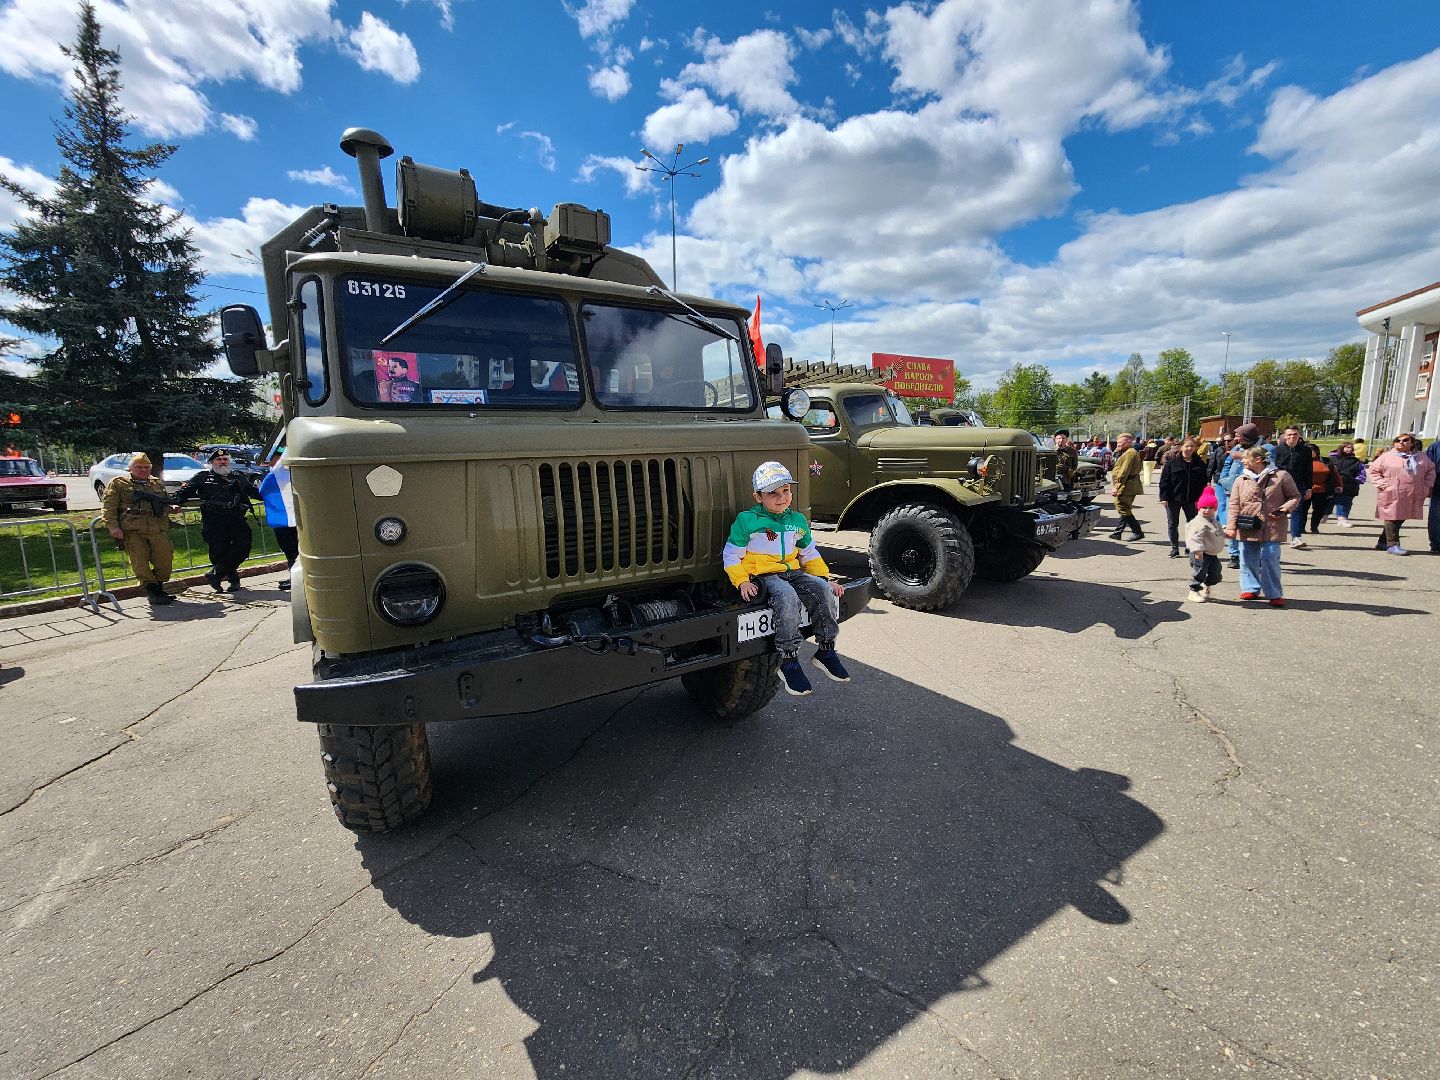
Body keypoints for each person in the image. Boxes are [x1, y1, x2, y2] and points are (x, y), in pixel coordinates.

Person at [723, 461, 848, 697]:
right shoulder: (747, 521)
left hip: (792, 571)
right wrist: (742, 581)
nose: (781, 497)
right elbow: (731, 555)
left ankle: (826, 649)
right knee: (787, 596)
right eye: (773, 493)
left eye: (786, 491)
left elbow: (809, 553)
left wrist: (824, 578)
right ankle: (789, 660)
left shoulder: (797, 521)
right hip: (763, 575)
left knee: (822, 589)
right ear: (758, 496)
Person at [172, 449, 262, 592]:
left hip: (235, 518)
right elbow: (184, 492)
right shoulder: (202, 477)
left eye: (225, 459)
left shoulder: (238, 477)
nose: (222, 462)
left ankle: (215, 573)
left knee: (243, 545)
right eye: (219, 460)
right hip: (213, 520)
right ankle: (232, 579)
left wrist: (273, 496)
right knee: (219, 551)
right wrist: (176, 502)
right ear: (212, 462)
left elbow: (253, 492)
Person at [1225, 445, 1300, 606]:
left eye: (1246, 458)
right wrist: (1231, 526)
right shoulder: (1241, 479)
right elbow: (1234, 504)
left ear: (1258, 460)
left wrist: (1284, 508)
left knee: (1269, 558)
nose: (1243, 460)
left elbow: (1294, 496)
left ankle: (1273, 593)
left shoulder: (1281, 476)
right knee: (1247, 558)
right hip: (1248, 524)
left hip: (1272, 524)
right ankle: (1250, 588)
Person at [101, 453, 175, 605]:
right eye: (139, 467)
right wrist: (113, 527)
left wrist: (172, 508)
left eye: (146, 467)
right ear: (130, 468)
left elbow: (164, 503)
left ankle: (158, 587)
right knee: (140, 562)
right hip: (132, 529)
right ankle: (153, 591)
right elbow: (109, 507)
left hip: (156, 528)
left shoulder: (156, 483)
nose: (143, 470)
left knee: (165, 559)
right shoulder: (118, 483)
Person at [1367, 432, 1436, 555]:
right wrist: (1383, 484)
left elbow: (1431, 470)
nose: (1401, 442)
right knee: (1392, 516)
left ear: (1412, 443)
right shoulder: (1387, 456)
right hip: (1392, 491)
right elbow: (1374, 471)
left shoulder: (1421, 457)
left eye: (1405, 440)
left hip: (1412, 492)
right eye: (1398, 440)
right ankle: (1393, 545)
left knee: (1400, 517)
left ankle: (1383, 542)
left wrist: (1427, 484)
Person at [1157, 436, 1208, 557]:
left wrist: (1201, 500)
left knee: (1192, 524)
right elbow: (1164, 481)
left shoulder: (1200, 464)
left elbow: (1203, 483)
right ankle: (1174, 548)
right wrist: (1163, 498)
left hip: (1192, 500)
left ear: (1195, 448)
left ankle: (1189, 546)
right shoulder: (1172, 463)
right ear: (1181, 447)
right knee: (1172, 524)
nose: (1189, 448)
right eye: (1187, 446)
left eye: (1192, 446)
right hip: (1173, 498)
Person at [259, 455, 298, 590]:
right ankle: (295, 576)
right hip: (284, 521)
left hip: (290, 520)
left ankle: (297, 578)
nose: (272, 463)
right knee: (290, 550)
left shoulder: (278, 476)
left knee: (293, 550)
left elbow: (262, 491)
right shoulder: (276, 476)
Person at [1273, 426, 1314, 549]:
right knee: (1277, 510)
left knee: (1297, 510)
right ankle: (1275, 535)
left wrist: (1309, 487)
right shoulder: (1277, 450)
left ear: (1299, 435)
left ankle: (1296, 537)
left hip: (1298, 484)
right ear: (1284, 436)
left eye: (1295, 434)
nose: (1292, 437)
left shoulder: (1305, 451)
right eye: (1289, 434)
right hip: (1279, 484)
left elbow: (1309, 470)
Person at [1185, 485, 1225, 603]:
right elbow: (1194, 538)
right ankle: (1193, 591)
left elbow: (1218, 532)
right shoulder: (1198, 522)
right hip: (1201, 553)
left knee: (1216, 574)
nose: (1207, 510)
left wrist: (1225, 532)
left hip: (1212, 553)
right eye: (1204, 507)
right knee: (1199, 572)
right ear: (1199, 507)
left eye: (1211, 507)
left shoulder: (1213, 520)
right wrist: (1198, 551)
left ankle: (1205, 584)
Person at [1107, 432, 1144, 540]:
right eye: (1117, 442)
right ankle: (1118, 533)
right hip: (1129, 484)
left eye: (1120, 442)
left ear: (1129, 441)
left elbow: (1124, 471)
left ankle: (1137, 531)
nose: (1118, 444)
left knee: (1122, 507)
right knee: (1124, 508)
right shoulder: (1128, 452)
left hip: (1126, 485)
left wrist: (1117, 487)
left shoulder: (1129, 453)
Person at [1327, 440, 1364, 528]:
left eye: (1350, 447)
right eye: (1346, 447)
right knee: (1328, 501)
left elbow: (1361, 473)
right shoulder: (1332, 459)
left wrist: (1357, 480)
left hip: (1349, 486)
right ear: (1341, 448)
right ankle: (1324, 515)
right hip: (1332, 484)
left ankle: (1342, 519)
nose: (1348, 449)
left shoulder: (1356, 461)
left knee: (1345, 502)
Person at [1306, 444, 1338, 533]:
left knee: (1319, 510)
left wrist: (1338, 485)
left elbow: (1334, 474)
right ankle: (1300, 528)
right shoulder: (1301, 460)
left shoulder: (1326, 461)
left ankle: (1314, 527)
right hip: (1306, 489)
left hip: (1322, 489)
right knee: (1302, 510)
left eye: (1311, 450)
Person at [1426, 436, 1440, 554]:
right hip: (1438, 489)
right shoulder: (1435, 448)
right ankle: (1436, 545)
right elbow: (1428, 469)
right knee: (1436, 517)